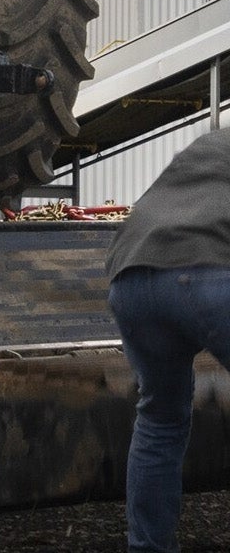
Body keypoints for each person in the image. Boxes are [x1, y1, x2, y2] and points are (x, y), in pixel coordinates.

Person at [106, 127, 230, 553]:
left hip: (130, 277)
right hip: (209, 271)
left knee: (160, 419)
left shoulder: (210, 144)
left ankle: (147, 547)